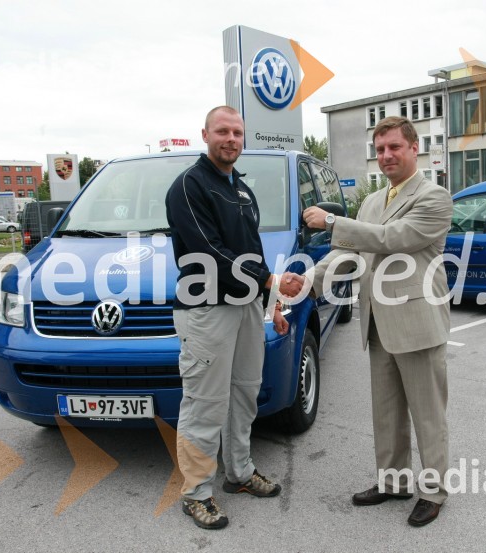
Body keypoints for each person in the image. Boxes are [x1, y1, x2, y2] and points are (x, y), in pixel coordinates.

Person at [301, 116, 453, 527]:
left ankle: (434, 491)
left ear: (413, 149)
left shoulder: (434, 197)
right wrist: (309, 281)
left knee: (427, 415)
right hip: (377, 323)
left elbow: (392, 240)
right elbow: (351, 255)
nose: (386, 155)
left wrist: (332, 222)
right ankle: (393, 483)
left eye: (394, 148)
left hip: (418, 322)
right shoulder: (372, 202)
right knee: (386, 413)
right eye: (380, 149)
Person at [165, 105, 302, 530]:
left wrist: (273, 301)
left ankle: (239, 474)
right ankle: (195, 493)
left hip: (246, 309)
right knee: (205, 404)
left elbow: (252, 251)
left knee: (244, 394)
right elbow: (209, 251)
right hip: (206, 310)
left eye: (238, 133)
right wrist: (271, 279)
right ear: (205, 134)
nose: (231, 139)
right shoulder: (189, 186)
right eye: (223, 131)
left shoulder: (241, 189)